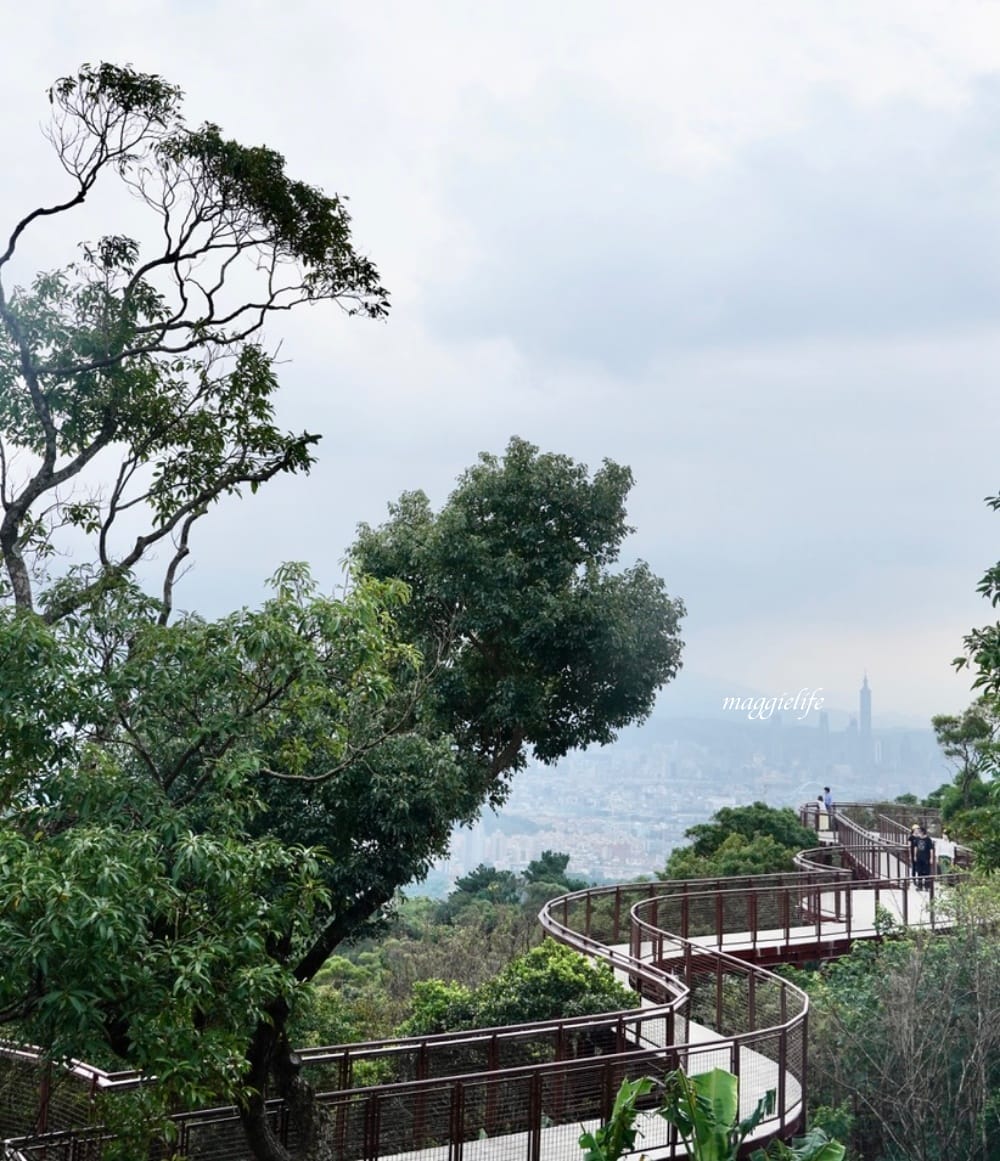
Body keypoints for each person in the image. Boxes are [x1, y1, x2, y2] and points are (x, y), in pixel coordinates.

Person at [913, 826, 934, 892]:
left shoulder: (928, 839)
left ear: (922, 832)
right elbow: (915, 847)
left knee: (926, 872)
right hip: (919, 857)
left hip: (926, 858)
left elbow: (931, 849)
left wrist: (931, 858)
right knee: (919, 872)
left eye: (919, 832)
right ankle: (920, 886)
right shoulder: (917, 839)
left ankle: (927, 886)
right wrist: (915, 856)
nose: (918, 833)